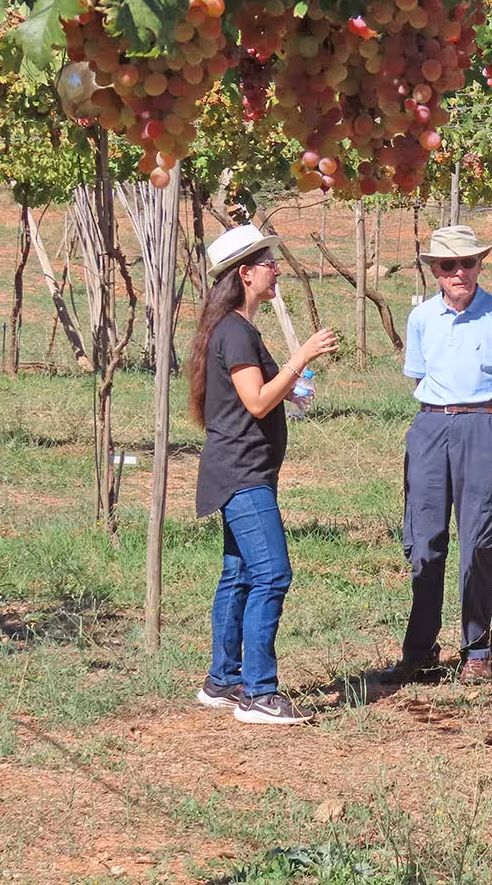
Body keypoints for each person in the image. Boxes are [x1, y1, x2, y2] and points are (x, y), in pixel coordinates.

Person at [190, 224, 340, 725]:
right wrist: (302, 357)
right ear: (245, 274)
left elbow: (257, 394)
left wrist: (292, 389)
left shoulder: (237, 329)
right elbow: (255, 402)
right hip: (242, 472)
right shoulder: (235, 331)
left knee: (238, 574)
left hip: (242, 467)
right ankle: (258, 693)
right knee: (272, 573)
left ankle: (223, 680)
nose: (276, 268)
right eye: (267, 262)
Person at [382, 225, 492, 685]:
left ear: (481, 264)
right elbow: (419, 374)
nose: (459, 272)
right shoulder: (422, 318)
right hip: (430, 425)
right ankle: (419, 650)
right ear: (435, 271)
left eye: (467, 263)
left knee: (479, 540)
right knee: (424, 540)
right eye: (448, 265)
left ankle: (477, 648)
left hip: (485, 426)